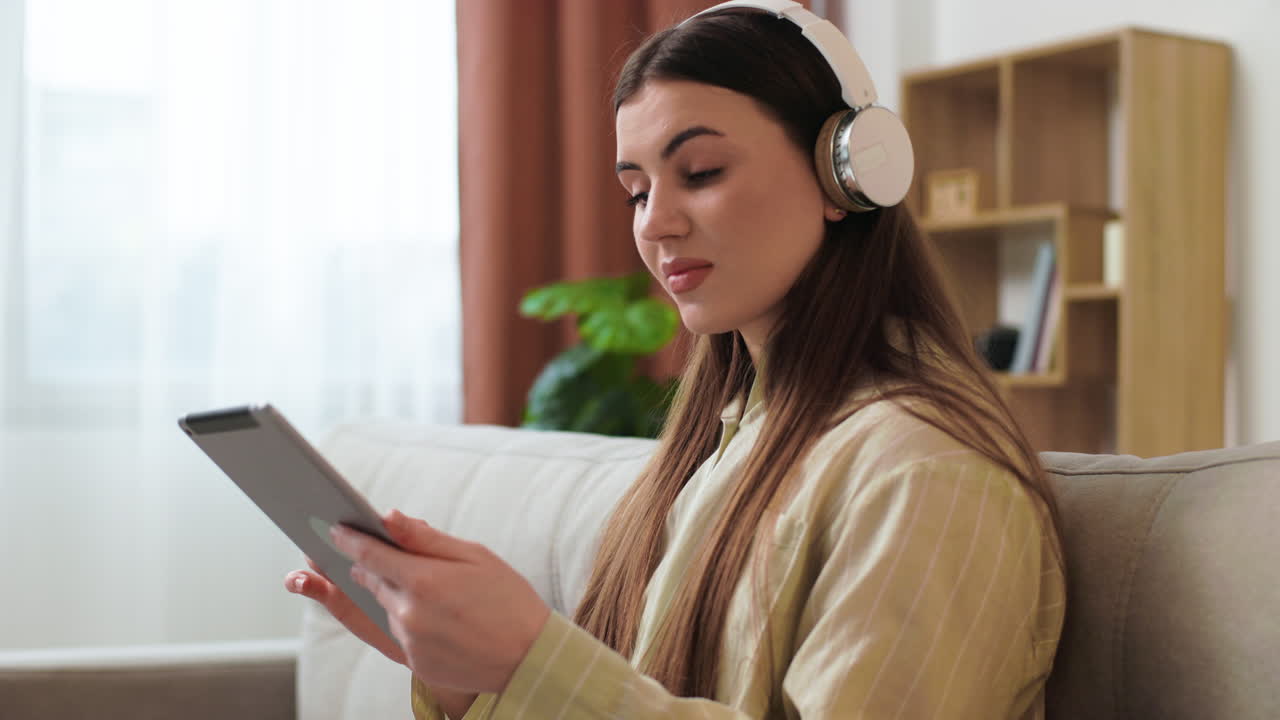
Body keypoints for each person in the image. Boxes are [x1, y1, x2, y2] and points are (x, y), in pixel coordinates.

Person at [284, 2, 1067, 718]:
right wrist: (468, 675)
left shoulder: (924, 472)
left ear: (847, 175)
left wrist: (533, 661)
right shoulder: (721, 445)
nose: (656, 224)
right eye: (635, 191)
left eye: (700, 173)